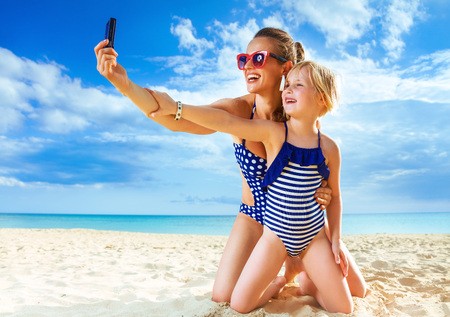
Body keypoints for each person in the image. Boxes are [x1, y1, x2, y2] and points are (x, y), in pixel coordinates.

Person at [94, 27, 366, 306]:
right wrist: (123, 84)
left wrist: (325, 192)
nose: (248, 65)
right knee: (223, 296)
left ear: (285, 66)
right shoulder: (237, 110)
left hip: (301, 223)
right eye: (243, 59)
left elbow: (317, 163)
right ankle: (285, 275)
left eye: (258, 58)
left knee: (357, 291)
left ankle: (304, 269)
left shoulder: (298, 110)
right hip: (253, 217)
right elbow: (174, 118)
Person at [151, 60, 356, 313]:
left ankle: (310, 287)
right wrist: (177, 107)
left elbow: (334, 196)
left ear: (322, 99)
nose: (287, 90)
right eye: (287, 85)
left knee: (344, 308)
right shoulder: (274, 133)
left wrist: (335, 239)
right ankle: (282, 280)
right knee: (239, 304)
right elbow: (224, 121)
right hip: (275, 238)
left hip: (314, 238)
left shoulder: (329, 148)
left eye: (298, 85)